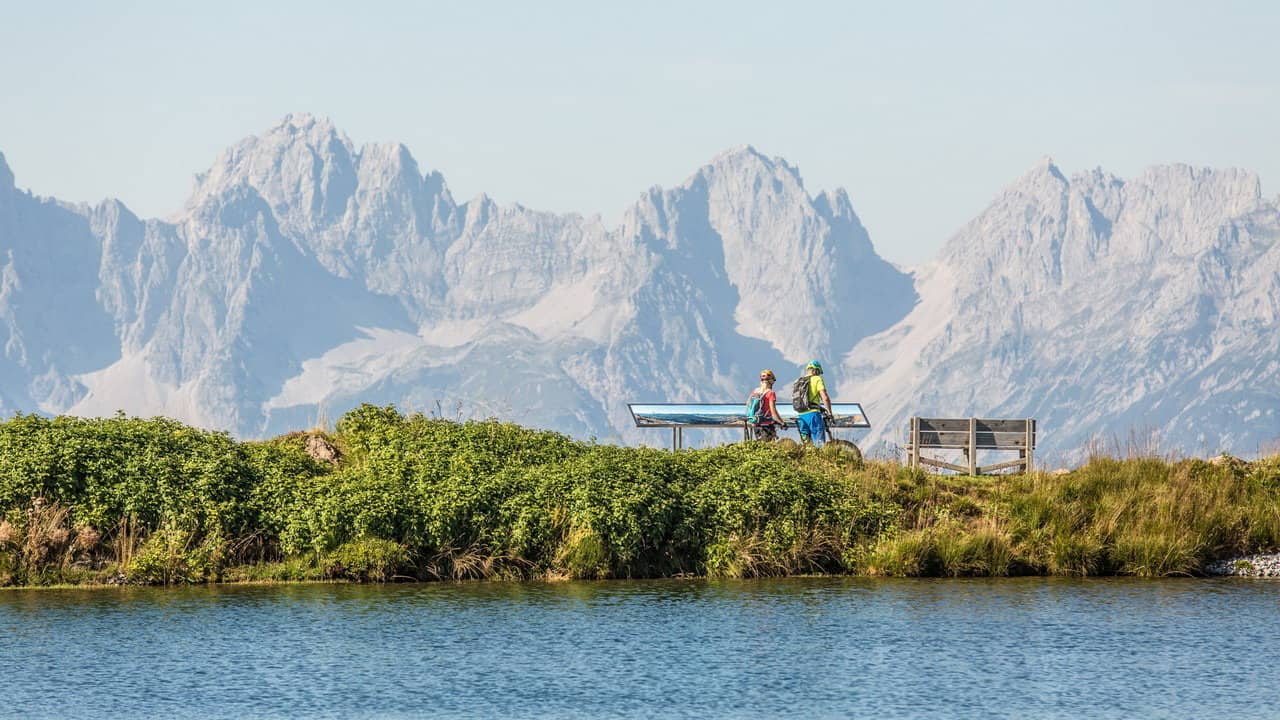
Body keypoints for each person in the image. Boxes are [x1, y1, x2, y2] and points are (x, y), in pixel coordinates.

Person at [794, 360, 833, 446]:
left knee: (807, 444)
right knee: (819, 443)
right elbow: (825, 398)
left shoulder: (798, 381)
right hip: (813, 414)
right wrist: (830, 412)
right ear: (815, 370)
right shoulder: (817, 379)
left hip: (801, 415)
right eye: (818, 372)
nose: (819, 374)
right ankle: (820, 459)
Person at [745, 369, 787, 441]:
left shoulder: (755, 391)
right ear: (771, 381)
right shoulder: (770, 393)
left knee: (761, 447)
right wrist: (782, 423)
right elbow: (773, 412)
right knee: (768, 447)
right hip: (767, 425)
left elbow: (748, 404)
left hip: (756, 424)